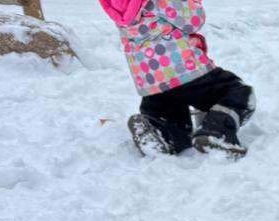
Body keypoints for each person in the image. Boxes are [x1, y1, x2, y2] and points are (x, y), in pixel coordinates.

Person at [99, 0, 256, 158]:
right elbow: (194, 20)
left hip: (151, 79)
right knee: (238, 93)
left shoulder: (121, 4)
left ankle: (160, 132)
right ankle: (216, 132)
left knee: (170, 119)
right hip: (182, 68)